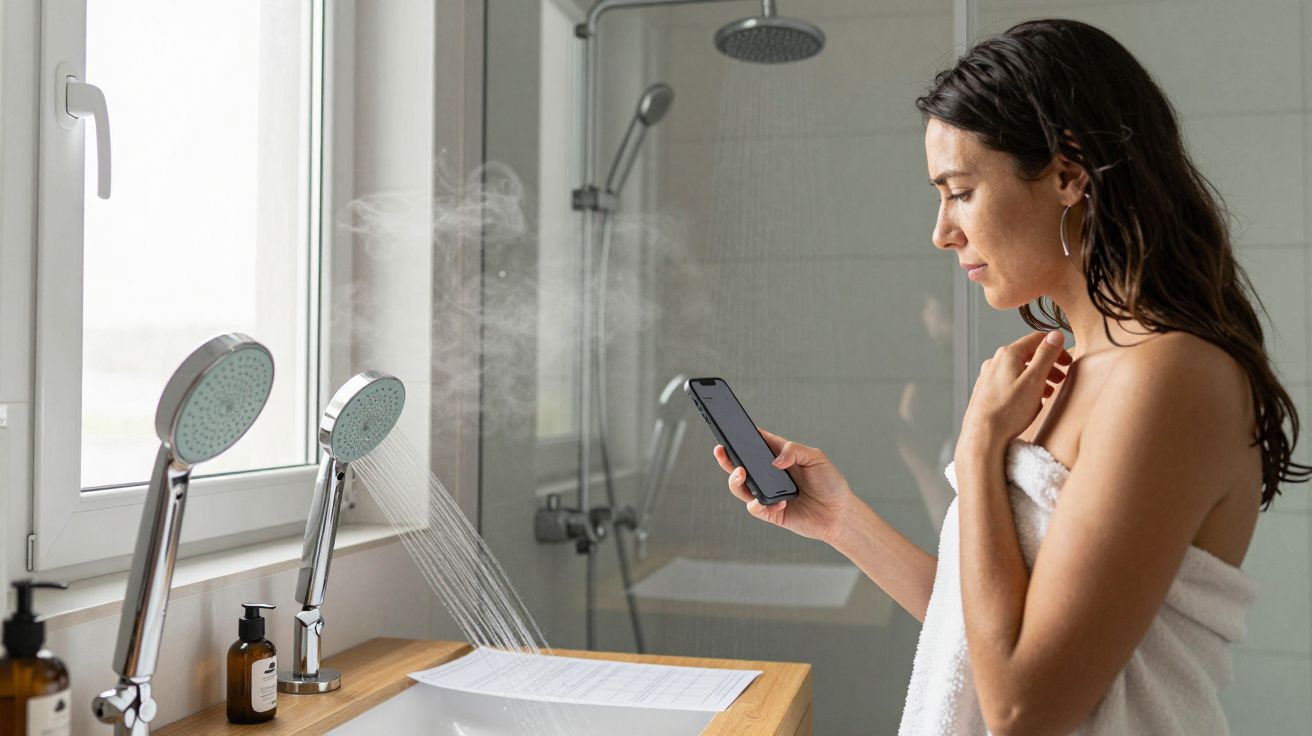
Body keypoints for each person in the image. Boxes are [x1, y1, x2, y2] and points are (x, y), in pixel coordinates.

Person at [710, 18, 1311, 736]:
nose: (942, 231)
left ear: (1067, 174)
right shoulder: (1073, 369)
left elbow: (1026, 707)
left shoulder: (1170, 377)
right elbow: (978, 636)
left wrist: (978, 446)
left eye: (959, 190)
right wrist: (843, 522)